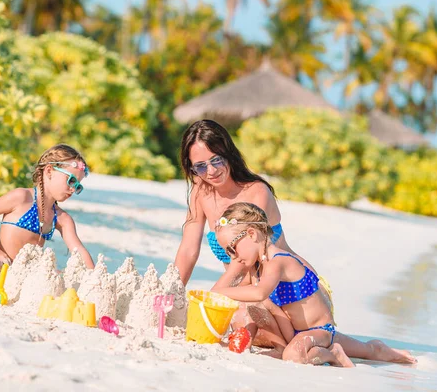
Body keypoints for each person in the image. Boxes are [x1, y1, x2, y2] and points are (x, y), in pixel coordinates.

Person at [174, 119, 415, 363]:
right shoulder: (200, 191)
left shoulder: (256, 193)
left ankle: (370, 350)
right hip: (254, 295)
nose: (211, 171)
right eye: (201, 166)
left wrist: (213, 297)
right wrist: (171, 291)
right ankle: (365, 349)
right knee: (251, 331)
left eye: (216, 160)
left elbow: (243, 264)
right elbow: (188, 250)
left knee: (286, 344)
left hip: (294, 292)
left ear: (228, 153)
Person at [211, 202, 417, 367]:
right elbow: (219, 293)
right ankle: (374, 349)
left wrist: (223, 290)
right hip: (291, 332)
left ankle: (333, 354)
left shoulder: (279, 262)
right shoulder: (257, 265)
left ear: (251, 234)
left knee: (294, 356)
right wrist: (235, 267)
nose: (232, 256)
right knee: (249, 311)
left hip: (319, 331)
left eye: (232, 249)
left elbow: (259, 292)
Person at [0, 143, 94, 269]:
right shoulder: (21, 198)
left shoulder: (62, 218)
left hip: (28, 278)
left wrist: (94, 275)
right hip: (4, 272)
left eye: (78, 186)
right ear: (49, 171)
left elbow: (78, 250)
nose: (73, 189)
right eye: (71, 180)